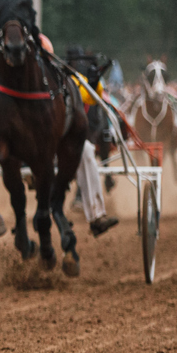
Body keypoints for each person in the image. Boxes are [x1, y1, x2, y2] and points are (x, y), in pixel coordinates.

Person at [64, 46, 120, 237]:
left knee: (87, 150)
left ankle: (97, 216)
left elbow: (90, 97)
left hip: (67, 139)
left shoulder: (74, 81)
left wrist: (94, 82)